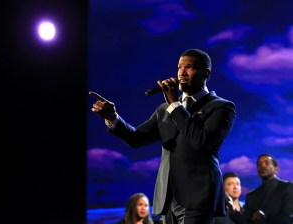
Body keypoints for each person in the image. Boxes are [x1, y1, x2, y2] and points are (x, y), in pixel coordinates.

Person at [90, 48, 236, 224]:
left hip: (199, 198)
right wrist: (112, 117)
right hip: (167, 198)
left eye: (189, 67)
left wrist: (175, 104)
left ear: (206, 73)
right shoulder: (163, 109)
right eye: (179, 67)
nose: (182, 72)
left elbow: (201, 142)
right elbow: (136, 138)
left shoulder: (221, 107)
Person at [242, 153, 293, 224]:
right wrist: (233, 210)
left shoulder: (288, 187)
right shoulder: (251, 196)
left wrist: (266, 217)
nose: (262, 166)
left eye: (266, 163)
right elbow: (246, 221)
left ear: (276, 169)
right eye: (259, 164)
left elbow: (289, 217)